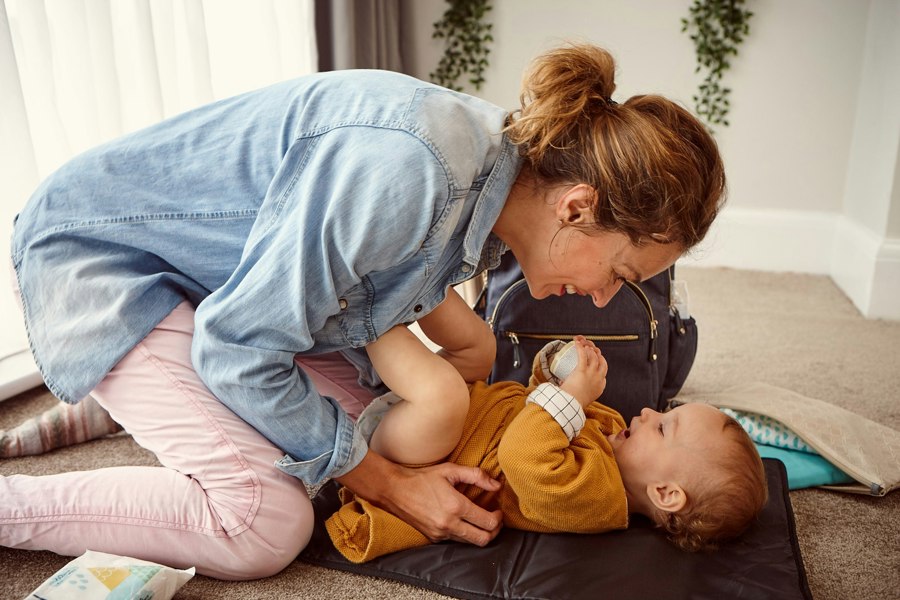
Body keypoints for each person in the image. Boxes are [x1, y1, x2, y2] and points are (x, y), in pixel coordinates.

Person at [2, 43, 726, 579]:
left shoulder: (483, 190)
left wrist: (375, 454)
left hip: (225, 289)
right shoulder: (414, 173)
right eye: (621, 274)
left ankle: (148, 397)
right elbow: (237, 347)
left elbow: (347, 314)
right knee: (266, 522)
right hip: (113, 262)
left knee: (378, 429)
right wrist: (390, 486)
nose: (604, 299)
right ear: (578, 206)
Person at [327, 334, 769, 562]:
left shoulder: (593, 498)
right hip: (461, 411)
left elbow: (522, 453)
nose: (651, 413)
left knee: (442, 395)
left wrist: (575, 397)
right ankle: (408, 280)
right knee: (481, 344)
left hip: (420, 449)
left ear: (665, 493)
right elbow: (536, 401)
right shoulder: (614, 432)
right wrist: (559, 369)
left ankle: (371, 314)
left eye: (664, 429)